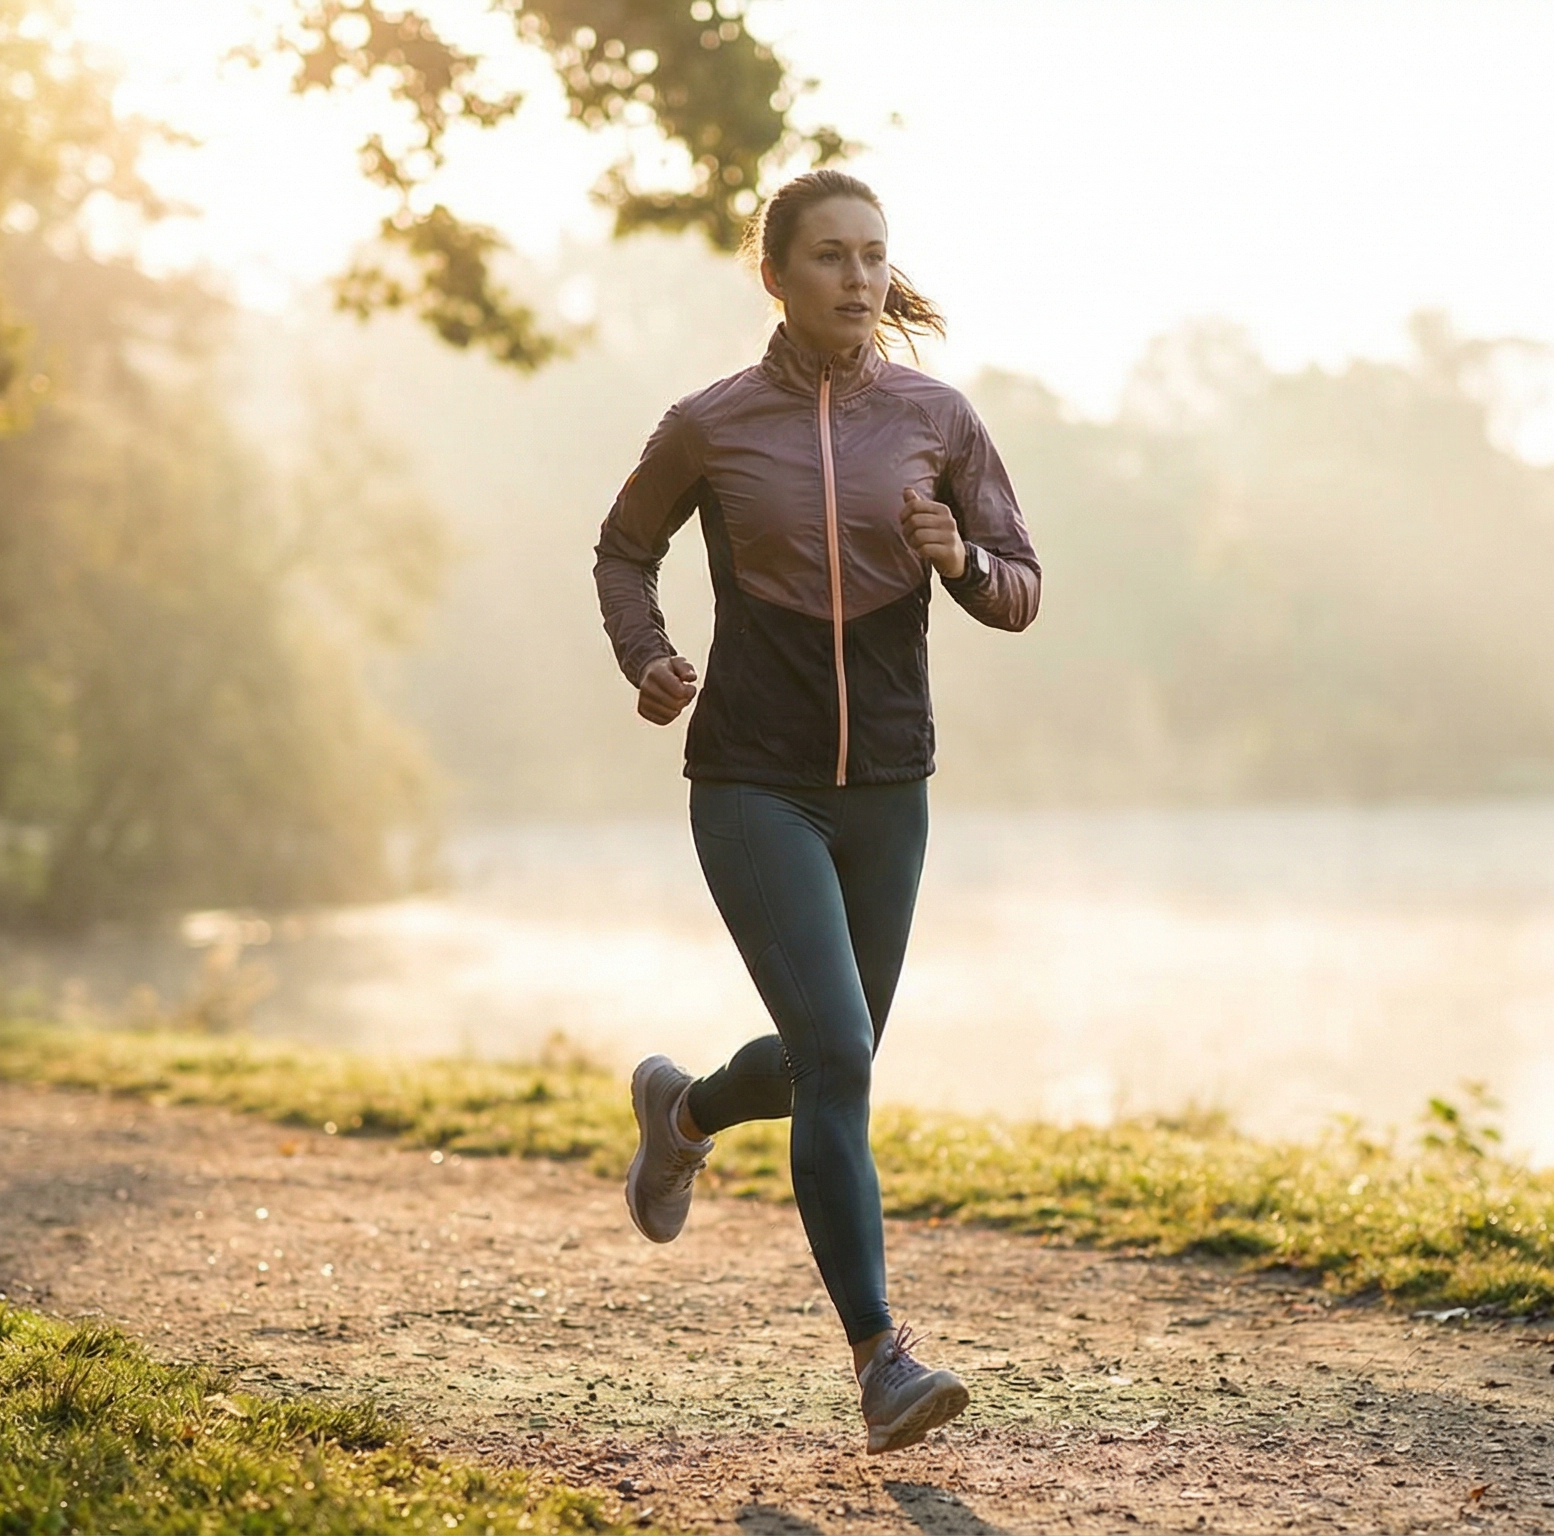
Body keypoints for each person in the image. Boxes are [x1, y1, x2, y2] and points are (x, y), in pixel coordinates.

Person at [591, 168, 1042, 1455]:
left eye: (874, 256)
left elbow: (1020, 588)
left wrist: (957, 557)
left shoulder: (939, 419)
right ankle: (880, 1360)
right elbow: (625, 546)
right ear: (775, 273)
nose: (858, 278)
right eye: (831, 256)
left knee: (824, 1059)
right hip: (753, 781)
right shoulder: (712, 425)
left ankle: (681, 1115)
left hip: (889, 788)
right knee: (839, 1056)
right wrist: (647, 657)